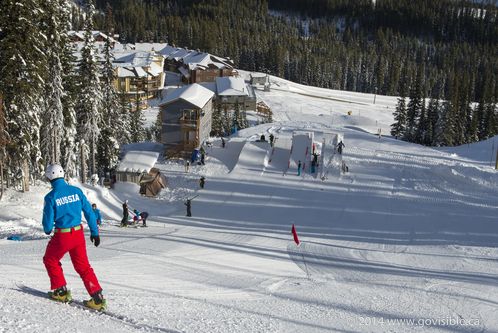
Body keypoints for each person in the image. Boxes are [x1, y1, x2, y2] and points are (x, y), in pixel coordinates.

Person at [42, 164, 106, 311]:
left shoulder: (51, 197)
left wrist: (47, 229)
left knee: (50, 259)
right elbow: (89, 212)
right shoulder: (76, 191)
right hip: (78, 234)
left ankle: (61, 291)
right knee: (83, 266)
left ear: (49, 178)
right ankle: (97, 298)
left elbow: (47, 225)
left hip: (62, 236)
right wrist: (95, 233)